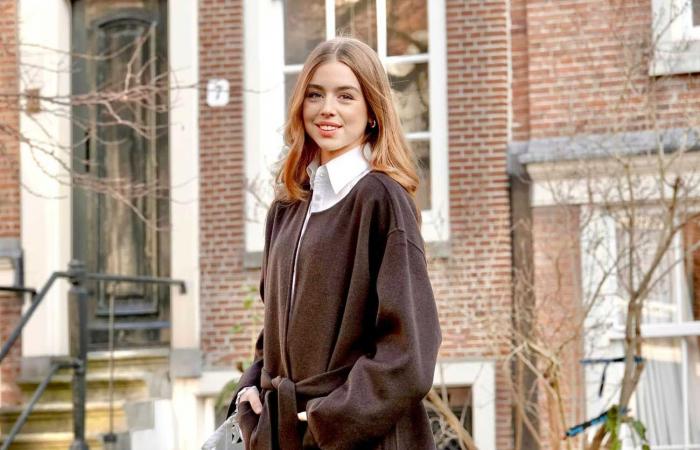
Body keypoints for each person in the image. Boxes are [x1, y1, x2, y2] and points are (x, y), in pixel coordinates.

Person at [227, 37, 442, 450]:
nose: (328, 109)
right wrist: (251, 387)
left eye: (346, 95)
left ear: (372, 111)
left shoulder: (382, 200)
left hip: (360, 438)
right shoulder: (287, 208)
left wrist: (329, 419)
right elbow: (276, 325)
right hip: (287, 434)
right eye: (315, 94)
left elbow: (409, 352)